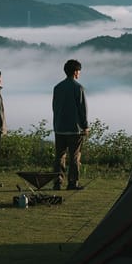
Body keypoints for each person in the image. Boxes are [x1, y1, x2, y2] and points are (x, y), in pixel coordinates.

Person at [52, 59, 89, 190]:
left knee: (59, 157)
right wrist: (85, 126)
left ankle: (57, 182)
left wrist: (56, 124)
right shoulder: (78, 88)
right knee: (74, 157)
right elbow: (82, 109)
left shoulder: (57, 87)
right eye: (78, 71)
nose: (79, 73)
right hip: (74, 129)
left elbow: (54, 108)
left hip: (60, 128)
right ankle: (73, 183)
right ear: (75, 72)